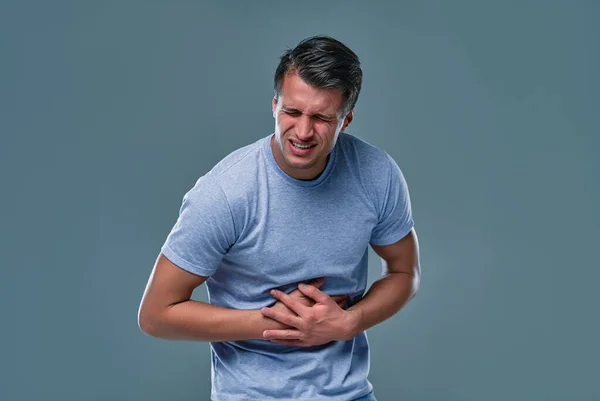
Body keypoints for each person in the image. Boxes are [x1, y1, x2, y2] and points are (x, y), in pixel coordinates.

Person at [138, 35, 421, 401]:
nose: (303, 132)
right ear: (274, 105)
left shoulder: (376, 173)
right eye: (292, 112)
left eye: (321, 118)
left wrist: (349, 323)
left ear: (345, 119)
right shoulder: (226, 193)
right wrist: (278, 322)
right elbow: (156, 314)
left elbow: (405, 273)